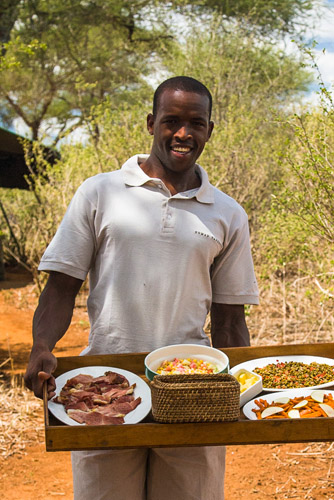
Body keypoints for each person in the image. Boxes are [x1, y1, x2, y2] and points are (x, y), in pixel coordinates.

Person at [24, 76, 259, 500]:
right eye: (171, 121)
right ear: (151, 123)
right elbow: (61, 286)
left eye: (196, 123)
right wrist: (42, 344)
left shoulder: (227, 214)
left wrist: (237, 394)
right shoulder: (101, 192)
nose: (183, 134)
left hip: (192, 391)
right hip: (102, 388)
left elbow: (229, 318)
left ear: (209, 129)